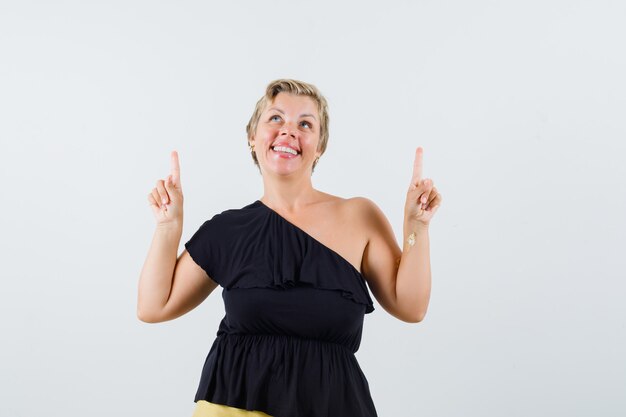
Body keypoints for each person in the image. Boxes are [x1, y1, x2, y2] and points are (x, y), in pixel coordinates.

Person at [138, 79, 442, 417]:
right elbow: (153, 307)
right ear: (253, 138)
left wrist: (418, 226)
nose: (288, 132)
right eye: (275, 119)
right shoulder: (227, 231)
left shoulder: (359, 217)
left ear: (320, 147)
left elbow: (411, 307)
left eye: (305, 124)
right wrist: (168, 227)